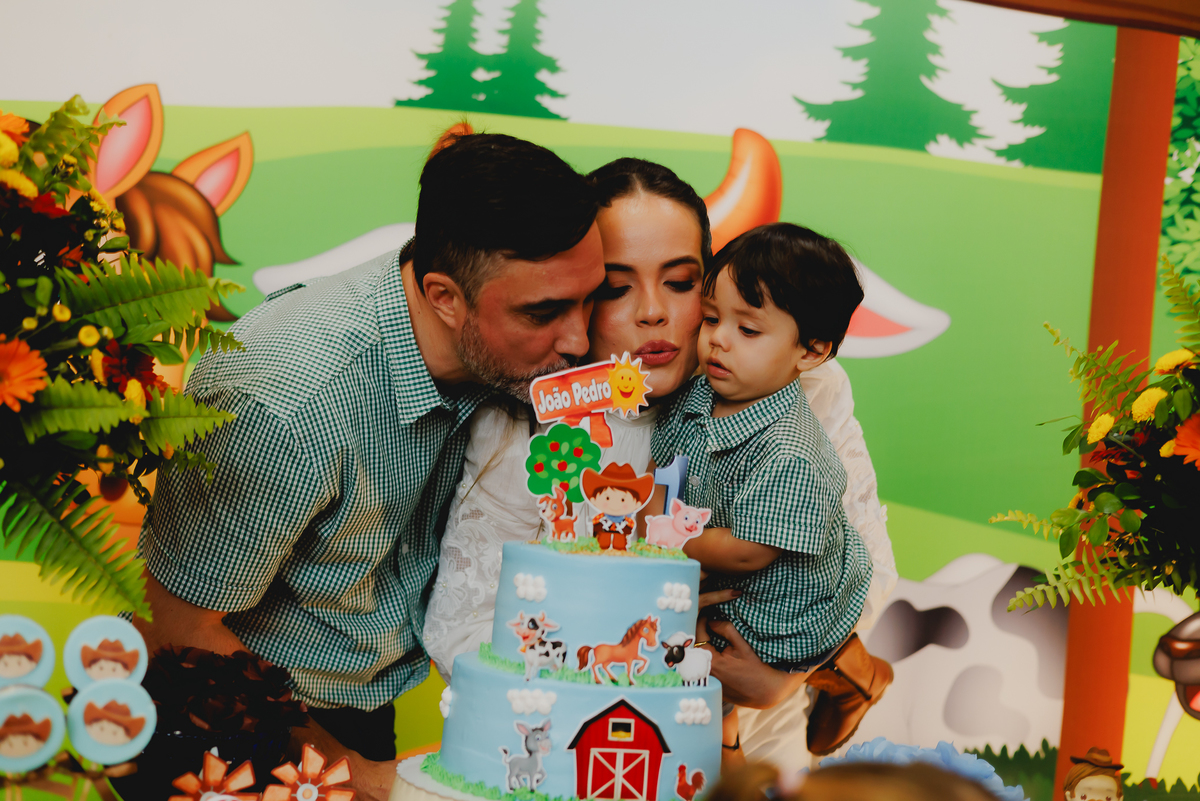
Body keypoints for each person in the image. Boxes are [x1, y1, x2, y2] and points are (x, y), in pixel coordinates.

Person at [133, 133, 605, 800]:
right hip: (226, 719)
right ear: (444, 296)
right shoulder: (289, 405)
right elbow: (177, 622)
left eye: (592, 297)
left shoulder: (486, 330)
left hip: (359, 709)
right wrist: (350, 774)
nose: (580, 339)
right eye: (544, 312)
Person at [424, 159, 896, 767]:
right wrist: (641, 625)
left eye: (680, 283)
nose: (652, 312)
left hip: (770, 721)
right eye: (616, 288)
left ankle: (845, 678)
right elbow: (464, 630)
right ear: (577, 292)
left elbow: (867, 569)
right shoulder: (527, 421)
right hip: (590, 732)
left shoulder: (796, 385)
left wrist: (783, 679)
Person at [651, 222, 890, 760]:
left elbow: (748, 552)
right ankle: (845, 680)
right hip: (728, 567)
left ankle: (734, 749)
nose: (719, 338)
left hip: (790, 605)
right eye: (712, 318)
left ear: (811, 350)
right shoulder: (702, 393)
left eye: (748, 329)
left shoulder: (790, 452)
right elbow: (664, 464)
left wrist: (668, 537)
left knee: (705, 661)